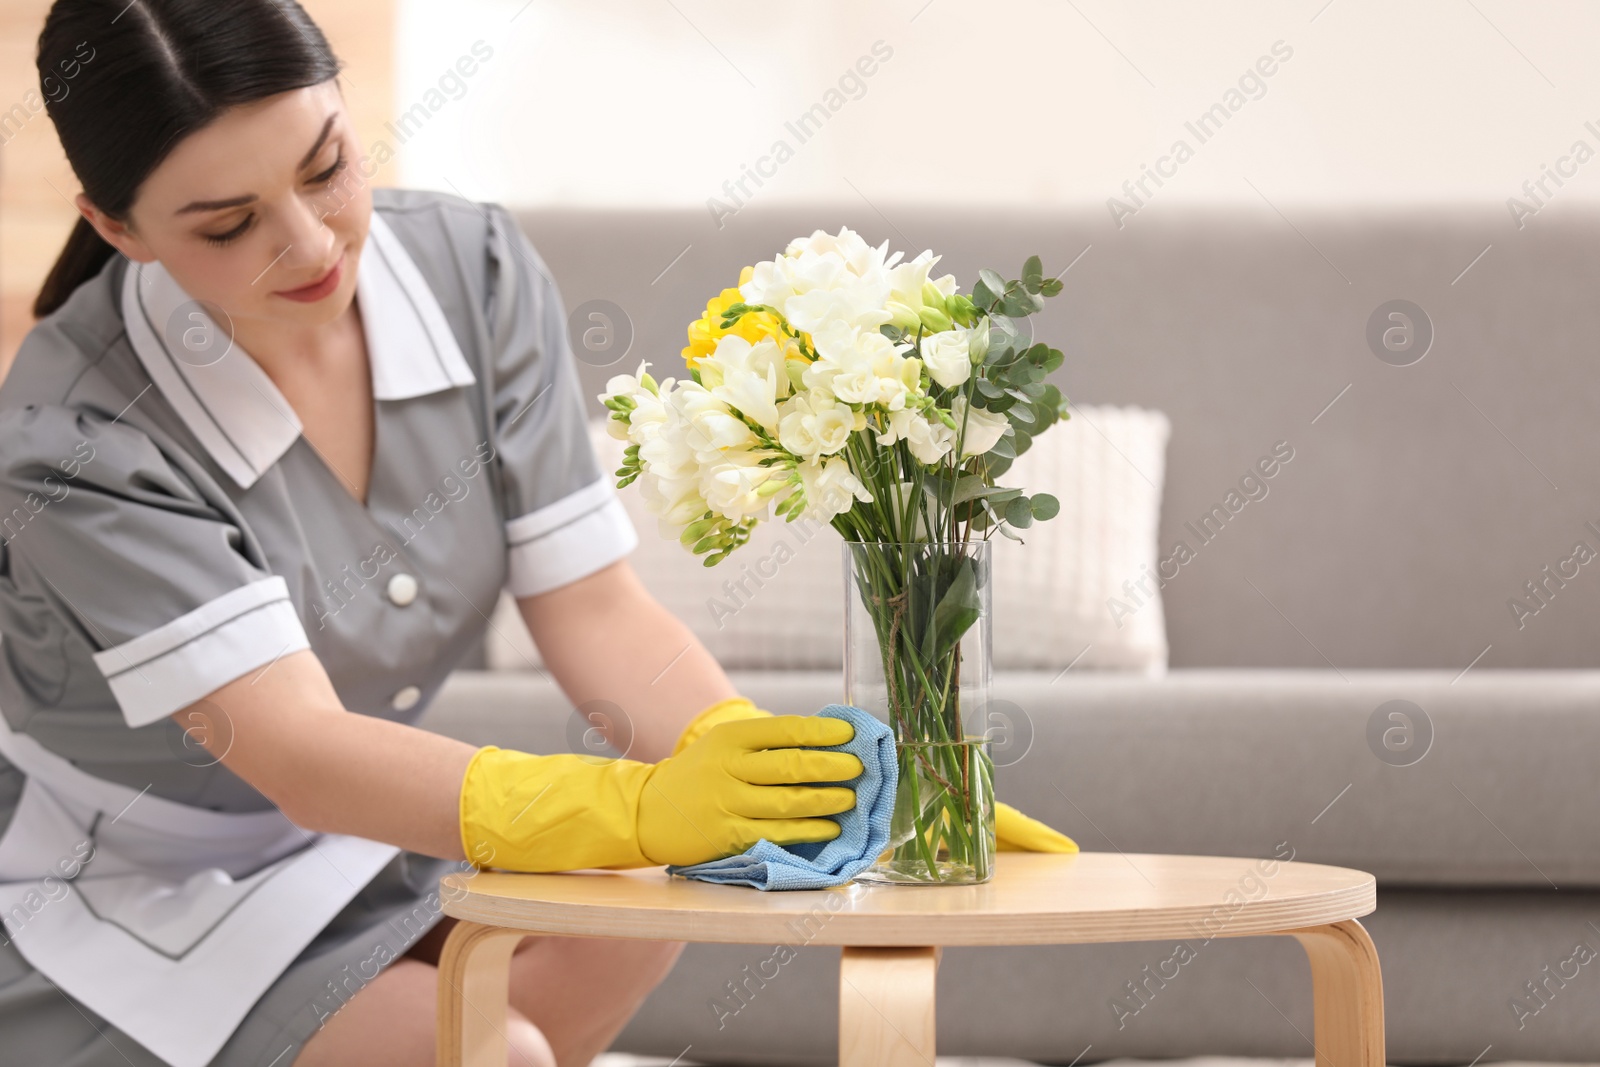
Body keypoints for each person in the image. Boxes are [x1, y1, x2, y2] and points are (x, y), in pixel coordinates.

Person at [0, 2, 1076, 1065]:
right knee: (495, 1043)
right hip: (132, 876)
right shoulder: (75, 435)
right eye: (229, 225)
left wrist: (783, 776)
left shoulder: (471, 270)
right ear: (117, 229)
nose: (312, 241)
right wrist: (639, 799)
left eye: (327, 165)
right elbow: (296, 750)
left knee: (645, 897)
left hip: (361, 835)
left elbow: (593, 605)